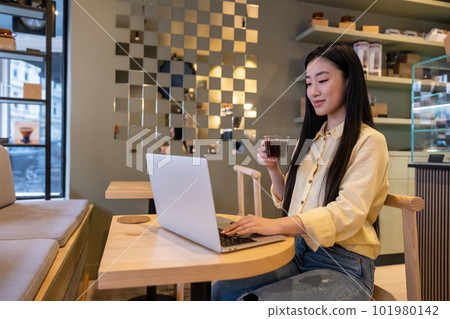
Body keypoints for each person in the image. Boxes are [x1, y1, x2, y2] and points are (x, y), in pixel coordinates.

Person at [211, 43, 389, 301]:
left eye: (323, 80)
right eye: (308, 83)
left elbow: (348, 213)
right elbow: (292, 202)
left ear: (349, 82)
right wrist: (272, 169)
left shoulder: (370, 141)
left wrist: (273, 225)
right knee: (221, 291)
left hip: (344, 266)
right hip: (298, 252)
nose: (313, 91)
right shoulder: (313, 140)